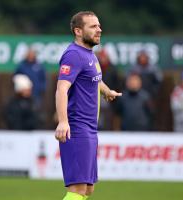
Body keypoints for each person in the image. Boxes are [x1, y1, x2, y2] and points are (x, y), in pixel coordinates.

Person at [55, 11, 122, 200]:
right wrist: (63, 122)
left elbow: (94, 81)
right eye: (93, 26)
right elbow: (61, 89)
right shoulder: (73, 55)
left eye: (99, 25)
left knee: (88, 189)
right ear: (78, 31)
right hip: (77, 128)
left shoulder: (89, 54)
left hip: (89, 129)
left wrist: (106, 91)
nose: (99, 30)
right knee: (77, 189)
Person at [95, 48, 120, 130]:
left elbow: (117, 85)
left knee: (107, 120)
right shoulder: (94, 67)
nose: (103, 59)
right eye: (101, 57)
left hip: (109, 99)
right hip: (94, 97)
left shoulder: (113, 69)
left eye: (104, 57)